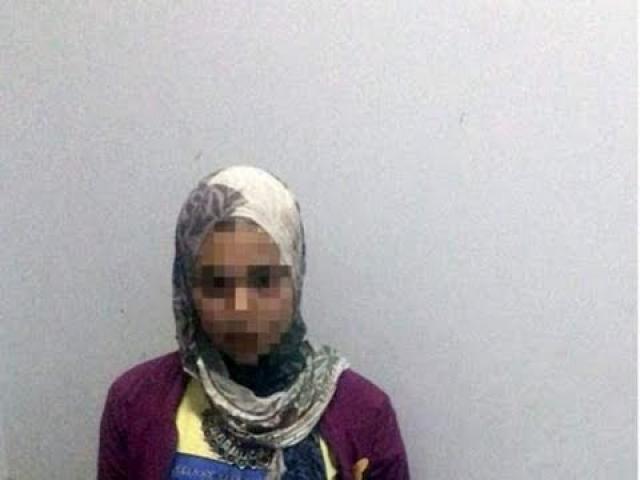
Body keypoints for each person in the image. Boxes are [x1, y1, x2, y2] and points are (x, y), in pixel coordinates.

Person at [97, 165, 410, 479]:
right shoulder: (136, 403)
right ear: (188, 289)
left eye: (263, 280)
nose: (241, 308)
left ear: (295, 278)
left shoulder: (364, 414)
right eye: (217, 283)